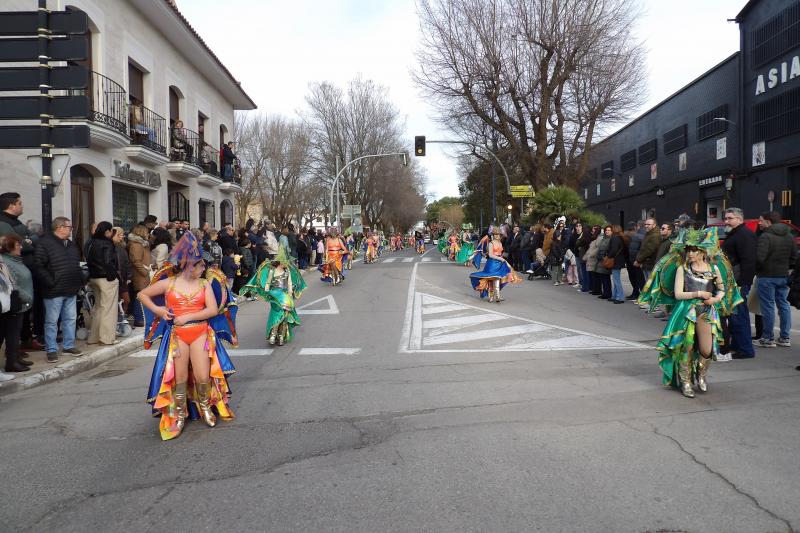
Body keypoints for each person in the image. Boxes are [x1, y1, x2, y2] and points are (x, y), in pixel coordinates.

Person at [137, 232, 237, 440]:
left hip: (200, 332)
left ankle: (205, 407)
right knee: (180, 378)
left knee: (203, 376)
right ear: (190, 265)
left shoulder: (204, 284)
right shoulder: (169, 283)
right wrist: (159, 310)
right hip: (178, 336)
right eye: (200, 265)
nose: (204, 268)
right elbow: (142, 294)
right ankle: (179, 415)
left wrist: (188, 316)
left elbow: (212, 310)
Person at [640, 227, 742, 398]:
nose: (690, 254)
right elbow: (678, 294)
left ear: (703, 251)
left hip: (706, 311)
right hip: (686, 311)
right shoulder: (683, 269)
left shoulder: (713, 268)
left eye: (694, 250)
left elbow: (722, 290)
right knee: (686, 346)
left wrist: (715, 299)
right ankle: (685, 381)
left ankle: (701, 375)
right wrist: (699, 293)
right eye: (688, 250)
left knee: (706, 349)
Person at [34, 217, 84, 362]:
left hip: (71, 288)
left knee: (70, 319)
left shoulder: (71, 245)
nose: (71, 229)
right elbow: (39, 266)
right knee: (52, 321)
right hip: (54, 290)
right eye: (69, 227)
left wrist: (80, 281)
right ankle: (51, 349)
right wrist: (51, 282)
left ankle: (68, 346)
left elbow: (75, 264)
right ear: (60, 227)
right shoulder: (45, 243)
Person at [241, 246, 306, 346]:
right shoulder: (272, 270)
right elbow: (268, 283)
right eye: (286, 262)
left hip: (285, 296)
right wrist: (266, 291)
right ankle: (273, 334)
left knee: (285, 316)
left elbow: (289, 283)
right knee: (276, 314)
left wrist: (290, 293)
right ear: (280, 262)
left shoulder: (287, 271)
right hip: (275, 295)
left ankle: (281, 336)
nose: (287, 264)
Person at [754, 211, 797, 348]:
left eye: (761, 220)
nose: (759, 223)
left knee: (768, 307)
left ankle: (768, 338)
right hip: (783, 275)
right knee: (784, 305)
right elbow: (794, 257)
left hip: (766, 276)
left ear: (768, 221)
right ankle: (785, 337)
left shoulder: (765, 236)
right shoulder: (789, 235)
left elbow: (760, 258)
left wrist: (757, 270)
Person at [720, 208, 756, 358]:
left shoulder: (744, 235)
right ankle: (737, 345)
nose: (726, 221)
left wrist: (741, 283)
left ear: (740, 219)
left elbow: (749, 261)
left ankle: (745, 349)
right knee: (733, 316)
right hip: (732, 281)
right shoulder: (735, 234)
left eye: (730, 218)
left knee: (739, 316)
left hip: (738, 283)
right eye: (725, 218)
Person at [1, 235, 34, 372]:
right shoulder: (7, 262)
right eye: (17, 245)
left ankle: (15, 358)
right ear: (10, 248)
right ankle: (12, 362)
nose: (21, 247)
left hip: (21, 302)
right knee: (12, 334)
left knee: (16, 333)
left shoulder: (15, 260)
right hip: (15, 302)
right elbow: (13, 284)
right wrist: (27, 297)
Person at [86, 222, 120, 347]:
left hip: (93, 277)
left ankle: (93, 337)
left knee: (98, 308)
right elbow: (108, 261)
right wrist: (112, 276)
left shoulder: (90, 242)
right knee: (108, 309)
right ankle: (106, 338)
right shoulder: (107, 243)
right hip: (106, 279)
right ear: (107, 231)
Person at [469, 230, 520, 302]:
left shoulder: (500, 243)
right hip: (492, 264)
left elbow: (500, 253)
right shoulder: (491, 243)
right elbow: (490, 255)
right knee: (491, 279)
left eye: (498, 234)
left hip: (499, 263)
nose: (497, 236)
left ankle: (497, 296)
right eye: (495, 234)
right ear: (493, 235)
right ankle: (491, 297)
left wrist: (503, 257)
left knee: (498, 278)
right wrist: (500, 259)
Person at [127, 224, 152, 328]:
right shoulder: (136, 245)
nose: (148, 234)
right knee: (139, 296)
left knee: (141, 295)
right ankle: (139, 319)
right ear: (141, 232)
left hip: (143, 273)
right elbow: (136, 261)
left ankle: (141, 318)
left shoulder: (142, 244)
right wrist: (145, 272)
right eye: (146, 231)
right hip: (139, 274)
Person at [112, 227, 132, 317]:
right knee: (115, 302)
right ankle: (117, 319)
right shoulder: (110, 247)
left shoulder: (122, 248)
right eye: (119, 235)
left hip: (123, 279)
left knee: (126, 300)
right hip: (114, 278)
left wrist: (129, 276)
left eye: (122, 234)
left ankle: (122, 317)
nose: (122, 236)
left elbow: (127, 263)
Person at [594, 226, 613, 299]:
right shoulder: (604, 239)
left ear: (612, 231)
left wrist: (603, 256)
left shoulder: (611, 239)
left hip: (606, 260)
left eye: (609, 230)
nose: (607, 231)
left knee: (606, 278)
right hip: (600, 260)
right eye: (606, 230)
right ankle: (605, 293)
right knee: (603, 277)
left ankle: (607, 293)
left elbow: (609, 250)